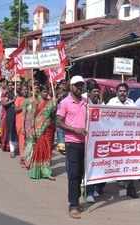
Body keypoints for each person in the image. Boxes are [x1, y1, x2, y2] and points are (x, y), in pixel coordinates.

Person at [56, 75, 88, 219]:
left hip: (85, 143)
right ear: (71, 86)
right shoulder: (65, 103)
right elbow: (58, 122)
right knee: (74, 174)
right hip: (72, 142)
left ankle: (76, 198)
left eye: (81, 85)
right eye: (77, 85)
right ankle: (73, 205)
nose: (79, 87)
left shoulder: (86, 102)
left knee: (81, 173)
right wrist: (75, 130)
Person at [106, 83, 139, 199]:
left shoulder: (132, 103)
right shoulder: (111, 103)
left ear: (127, 92)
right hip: (114, 138)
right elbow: (105, 118)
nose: (122, 93)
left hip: (128, 139)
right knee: (110, 163)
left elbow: (138, 117)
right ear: (116, 92)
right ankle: (99, 186)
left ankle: (131, 188)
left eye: (124, 91)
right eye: (120, 91)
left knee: (129, 163)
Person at [24, 85, 56, 180]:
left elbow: (53, 116)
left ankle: (46, 171)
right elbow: (32, 116)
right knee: (40, 150)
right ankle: (37, 171)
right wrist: (32, 129)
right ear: (40, 92)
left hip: (49, 129)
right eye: (44, 92)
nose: (46, 94)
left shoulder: (51, 103)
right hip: (39, 129)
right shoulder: (35, 102)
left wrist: (55, 108)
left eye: (47, 92)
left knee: (48, 150)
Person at [85, 79, 106, 203]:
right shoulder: (85, 104)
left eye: (98, 91)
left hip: (101, 141)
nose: (96, 94)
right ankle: (89, 192)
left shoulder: (102, 104)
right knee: (90, 167)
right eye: (94, 91)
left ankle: (99, 187)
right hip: (88, 141)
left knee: (101, 166)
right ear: (89, 93)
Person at [2, 81, 17, 157]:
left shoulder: (16, 93)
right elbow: (4, 103)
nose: (11, 86)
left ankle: (15, 147)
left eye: (12, 85)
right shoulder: (6, 94)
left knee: (16, 131)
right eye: (10, 85)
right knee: (11, 131)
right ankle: (12, 150)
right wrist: (12, 100)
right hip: (10, 113)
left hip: (17, 114)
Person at [15, 84, 28, 165]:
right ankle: (22, 158)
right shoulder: (18, 99)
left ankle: (27, 156)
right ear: (21, 91)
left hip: (28, 122)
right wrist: (24, 106)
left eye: (26, 89)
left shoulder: (29, 99)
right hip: (20, 122)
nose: (25, 91)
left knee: (27, 141)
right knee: (22, 140)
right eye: (24, 89)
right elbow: (16, 109)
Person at [55, 80, 68, 155]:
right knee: (60, 131)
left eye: (64, 85)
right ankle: (61, 146)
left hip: (66, 117)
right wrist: (58, 98)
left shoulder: (68, 95)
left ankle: (63, 145)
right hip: (59, 116)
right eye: (60, 87)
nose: (62, 89)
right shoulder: (57, 95)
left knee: (64, 131)